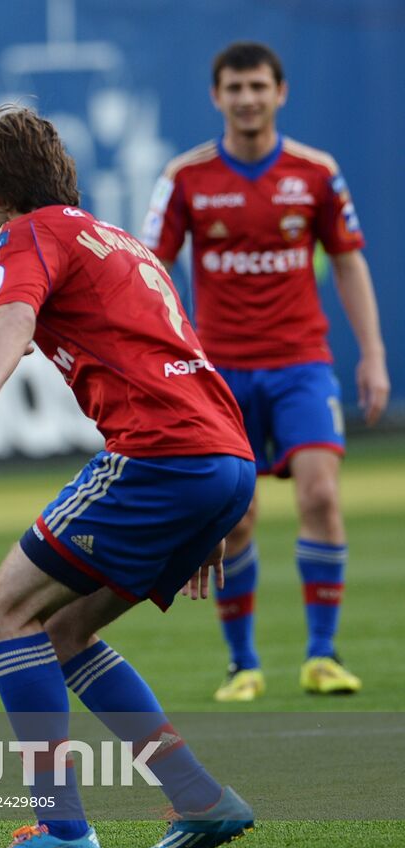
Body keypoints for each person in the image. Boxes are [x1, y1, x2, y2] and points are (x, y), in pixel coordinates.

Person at [0, 105, 257, 848]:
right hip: (220, 456)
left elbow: (13, 314)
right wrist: (210, 513)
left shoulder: (30, 232)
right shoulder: (117, 241)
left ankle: (62, 830)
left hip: (159, 455)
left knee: (2, 613)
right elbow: (181, 348)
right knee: (66, 629)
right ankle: (201, 799)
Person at [143, 41, 389, 701]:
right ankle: (243, 664)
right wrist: (165, 356)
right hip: (219, 372)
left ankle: (321, 655)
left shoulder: (315, 174)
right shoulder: (187, 178)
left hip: (302, 364)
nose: (247, 98)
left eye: (258, 86)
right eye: (235, 88)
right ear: (216, 96)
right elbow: (147, 269)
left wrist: (372, 353)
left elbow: (348, 261)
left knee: (320, 495)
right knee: (238, 519)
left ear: (281, 93)